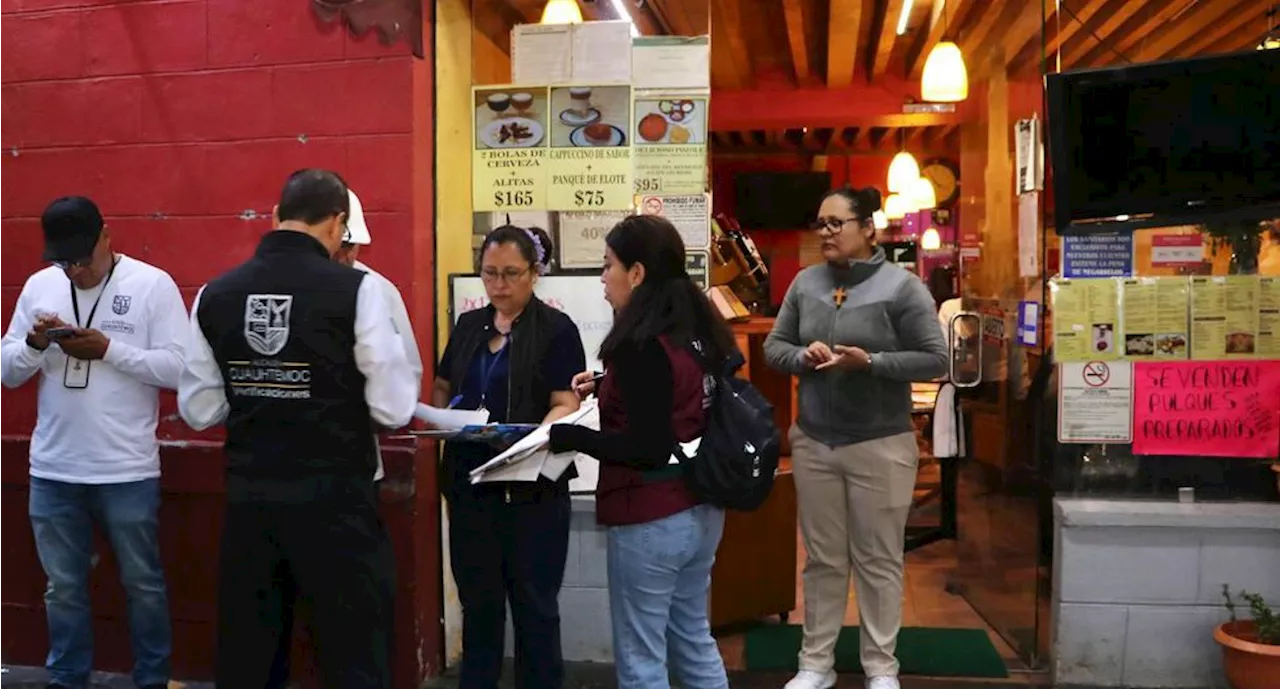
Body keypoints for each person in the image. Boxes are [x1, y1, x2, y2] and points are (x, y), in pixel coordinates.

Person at [178, 168, 417, 689]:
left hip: (251, 501)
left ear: (274, 217)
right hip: (337, 502)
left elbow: (197, 408)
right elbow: (395, 406)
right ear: (337, 223)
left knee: (250, 657)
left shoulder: (214, 294)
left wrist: (259, 394)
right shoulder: (358, 291)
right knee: (353, 654)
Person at [764, 186, 948, 689]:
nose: (825, 232)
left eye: (835, 223)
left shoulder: (901, 287)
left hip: (880, 444)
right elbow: (774, 347)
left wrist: (873, 363)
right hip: (816, 442)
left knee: (878, 559)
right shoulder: (806, 284)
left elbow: (937, 357)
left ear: (868, 228)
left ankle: (881, 668)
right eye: (819, 223)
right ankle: (815, 664)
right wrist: (802, 356)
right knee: (823, 559)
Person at [0, 196, 186, 689]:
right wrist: (36, 346)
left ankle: (152, 678)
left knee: (143, 585)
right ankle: (67, 679)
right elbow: (7, 370)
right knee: (62, 588)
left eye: (83, 258)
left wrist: (109, 350)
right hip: (54, 468)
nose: (76, 270)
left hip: (126, 470)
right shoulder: (42, 286)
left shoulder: (151, 285)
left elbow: (178, 367)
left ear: (107, 236)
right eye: (65, 261)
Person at [546, 215, 735, 689]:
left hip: (651, 515)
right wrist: (608, 385)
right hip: (702, 509)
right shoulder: (698, 330)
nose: (602, 278)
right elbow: (677, 396)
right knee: (693, 639)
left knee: (641, 658)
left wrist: (569, 437)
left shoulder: (639, 344)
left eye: (608, 265)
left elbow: (646, 448)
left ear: (637, 273)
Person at [430, 224, 585, 689]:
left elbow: (567, 402)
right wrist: (440, 418)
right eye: (489, 273)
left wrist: (531, 439)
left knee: (535, 610)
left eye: (510, 274)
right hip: (472, 487)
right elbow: (443, 387)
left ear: (534, 274)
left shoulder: (556, 329)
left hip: (531, 491)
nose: (498, 285)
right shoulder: (468, 325)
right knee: (479, 610)